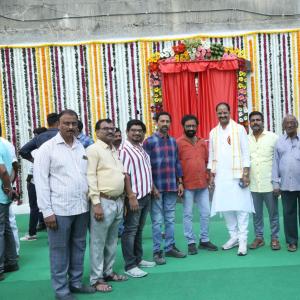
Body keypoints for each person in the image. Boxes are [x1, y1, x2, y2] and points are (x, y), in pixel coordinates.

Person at [34, 110, 95, 300]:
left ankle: (75, 283)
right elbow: (41, 181)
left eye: (73, 123)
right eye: (66, 123)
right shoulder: (47, 148)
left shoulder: (80, 146)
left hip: (81, 207)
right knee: (59, 250)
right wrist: (47, 212)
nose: (70, 127)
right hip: (59, 210)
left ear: (78, 125)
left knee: (79, 247)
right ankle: (61, 290)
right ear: (58, 124)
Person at [208, 103, 254, 256]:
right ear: (216, 114)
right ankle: (233, 236)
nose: (222, 115)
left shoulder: (239, 129)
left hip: (238, 175)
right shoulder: (213, 132)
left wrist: (246, 174)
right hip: (221, 177)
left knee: (241, 208)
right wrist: (211, 176)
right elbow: (211, 155)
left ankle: (242, 241)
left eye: (225, 112)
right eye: (219, 113)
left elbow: (246, 153)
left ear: (230, 112)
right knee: (226, 207)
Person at [87, 118, 127, 293]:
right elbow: (90, 177)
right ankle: (96, 279)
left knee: (112, 241)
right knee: (98, 242)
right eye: (106, 129)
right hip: (102, 202)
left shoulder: (113, 149)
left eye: (112, 128)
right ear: (97, 132)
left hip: (117, 201)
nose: (110, 131)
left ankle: (108, 272)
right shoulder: (93, 150)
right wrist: (96, 203)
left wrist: (123, 199)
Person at [144, 111, 186, 265]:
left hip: (171, 186)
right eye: (162, 121)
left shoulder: (173, 141)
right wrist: (151, 186)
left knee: (170, 219)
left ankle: (169, 247)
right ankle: (157, 251)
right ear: (157, 123)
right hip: (156, 187)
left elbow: (177, 163)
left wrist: (180, 182)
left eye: (167, 121)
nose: (165, 124)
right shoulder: (149, 142)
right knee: (157, 221)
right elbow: (146, 167)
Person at [177, 115, 218, 255]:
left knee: (205, 213)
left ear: (197, 126)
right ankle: (190, 242)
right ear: (183, 127)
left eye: (193, 126)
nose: (191, 128)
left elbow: (207, 161)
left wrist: (210, 176)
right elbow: (177, 164)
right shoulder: (179, 143)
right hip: (187, 185)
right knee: (188, 214)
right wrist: (180, 183)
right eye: (188, 126)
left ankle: (204, 240)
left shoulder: (202, 142)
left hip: (203, 184)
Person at [119, 119, 155, 278]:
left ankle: (138, 259)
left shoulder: (140, 147)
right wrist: (130, 195)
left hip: (145, 195)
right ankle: (130, 265)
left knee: (138, 230)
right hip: (135, 197)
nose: (137, 133)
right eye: (133, 130)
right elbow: (124, 174)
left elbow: (144, 170)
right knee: (130, 231)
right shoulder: (124, 150)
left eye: (140, 130)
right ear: (127, 132)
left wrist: (152, 187)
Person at [248, 111, 280, 250]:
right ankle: (259, 238)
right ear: (249, 123)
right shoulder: (246, 139)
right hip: (253, 184)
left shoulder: (273, 138)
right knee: (256, 214)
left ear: (263, 122)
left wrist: (277, 181)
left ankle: (275, 238)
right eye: (253, 120)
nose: (255, 122)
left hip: (269, 183)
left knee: (273, 213)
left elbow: (279, 161)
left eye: (258, 120)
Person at [272, 114, 300, 252]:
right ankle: (292, 241)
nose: (290, 125)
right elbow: (275, 164)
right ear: (283, 126)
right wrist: (275, 184)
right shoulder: (279, 142)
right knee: (289, 214)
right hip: (286, 186)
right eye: (287, 123)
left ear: (297, 125)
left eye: (292, 122)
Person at [20, 127, 47, 241]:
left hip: (34, 181)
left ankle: (32, 233)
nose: (34, 138)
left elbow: (23, 153)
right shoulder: (49, 148)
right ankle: (43, 224)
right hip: (42, 181)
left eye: (35, 135)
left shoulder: (37, 150)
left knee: (34, 207)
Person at [0, 137, 19, 281]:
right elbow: (14, 165)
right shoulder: (4, 144)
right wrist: (10, 188)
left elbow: (3, 170)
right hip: (4, 194)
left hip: (2, 193)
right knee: (5, 228)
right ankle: (11, 262)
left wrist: (7, 187)